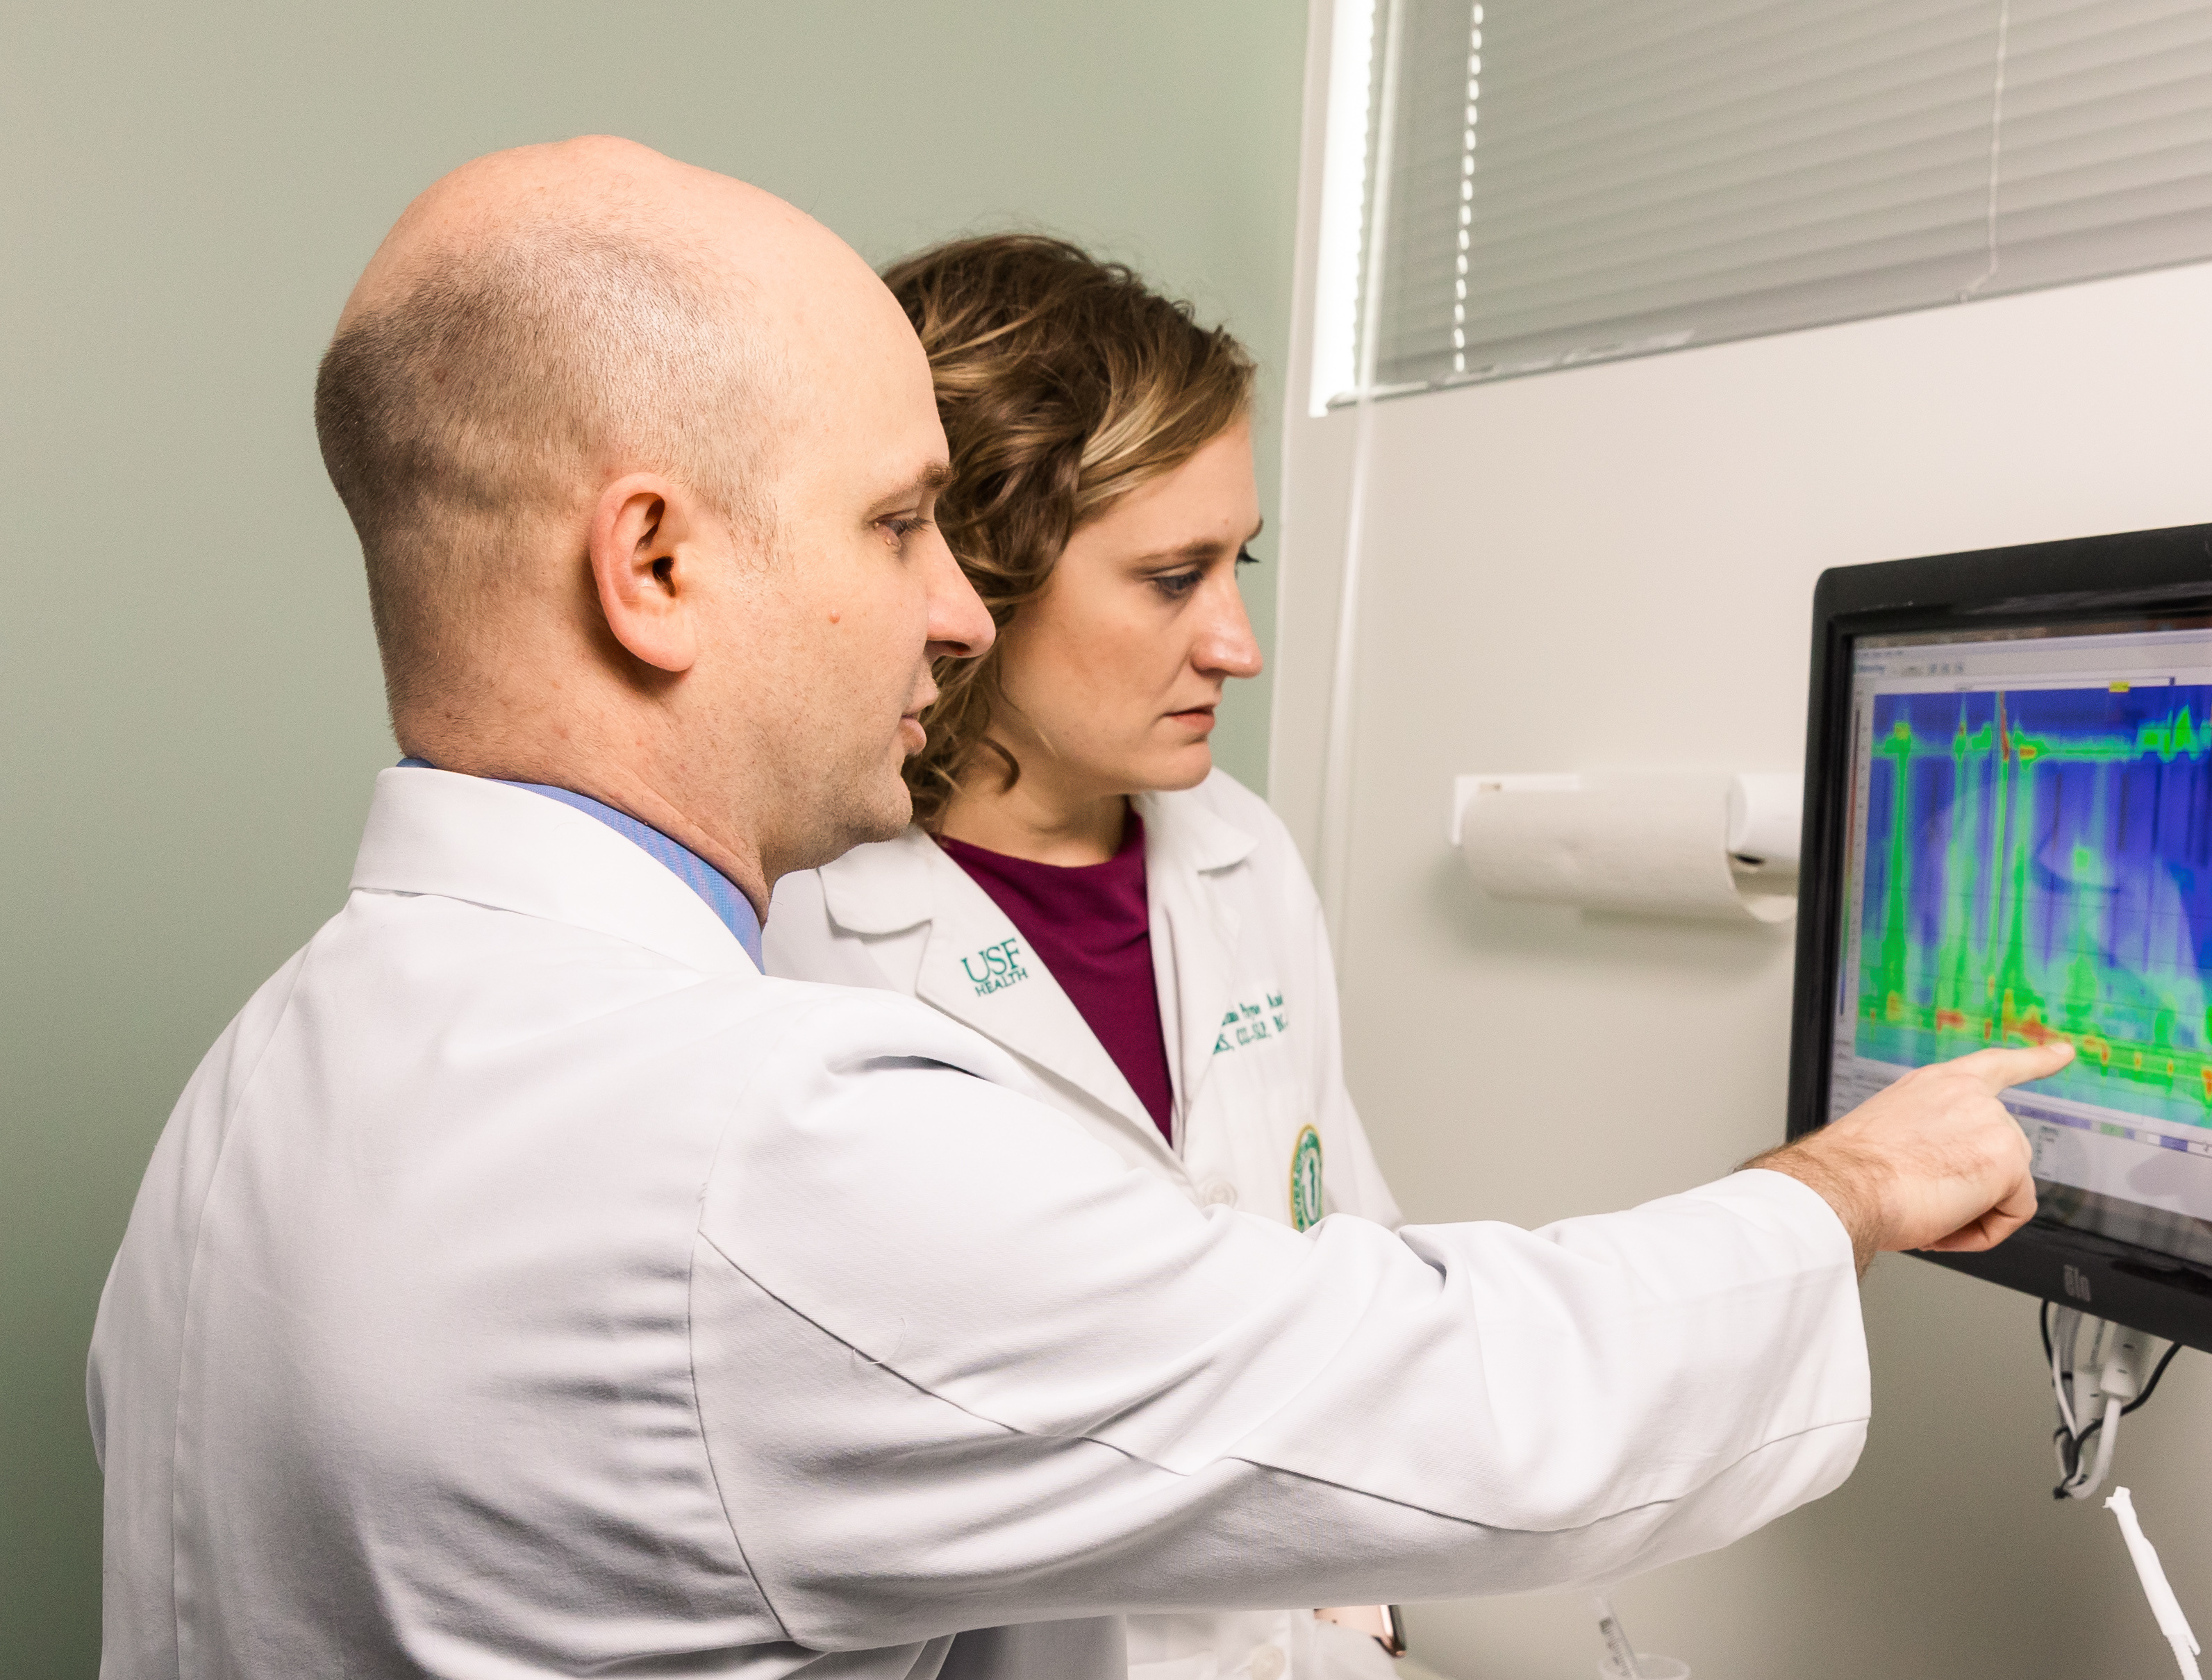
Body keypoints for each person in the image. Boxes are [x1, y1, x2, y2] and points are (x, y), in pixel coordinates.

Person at [88, 138, 2068, 1680]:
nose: (952, 606)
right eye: (891, 527)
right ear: (657, 567)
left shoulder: (270, 1079)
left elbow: (1318, 1291)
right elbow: (1440, 1402)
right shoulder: (747, 1149)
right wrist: (1842, 1189)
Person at [761, 235, 1399, 1680]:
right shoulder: (799, 931)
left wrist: (1364, 1617)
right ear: (973, 574)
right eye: (1170, 578)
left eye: (1237, 564)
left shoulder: (1241, 855)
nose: (1236, 644)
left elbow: (1350, 1261)